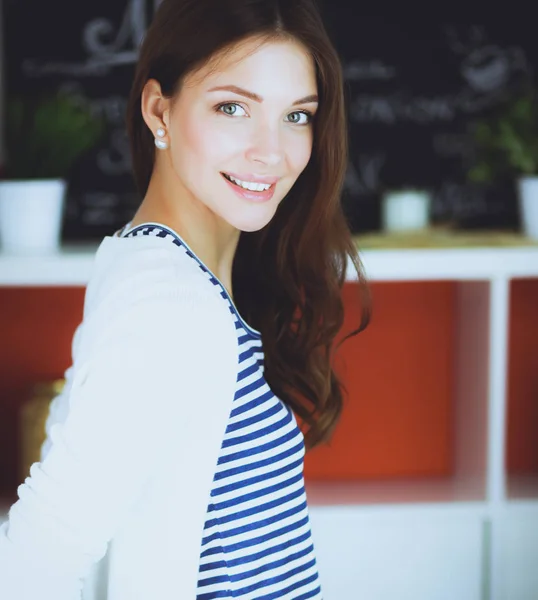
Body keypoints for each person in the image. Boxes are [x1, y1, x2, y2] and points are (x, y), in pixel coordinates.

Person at [0, 0, 369, 597]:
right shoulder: (170, 305)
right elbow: (37, 561)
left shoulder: (163, 268)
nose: (272, 152)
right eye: (233, 108)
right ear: (158, 110)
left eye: (296, 116)